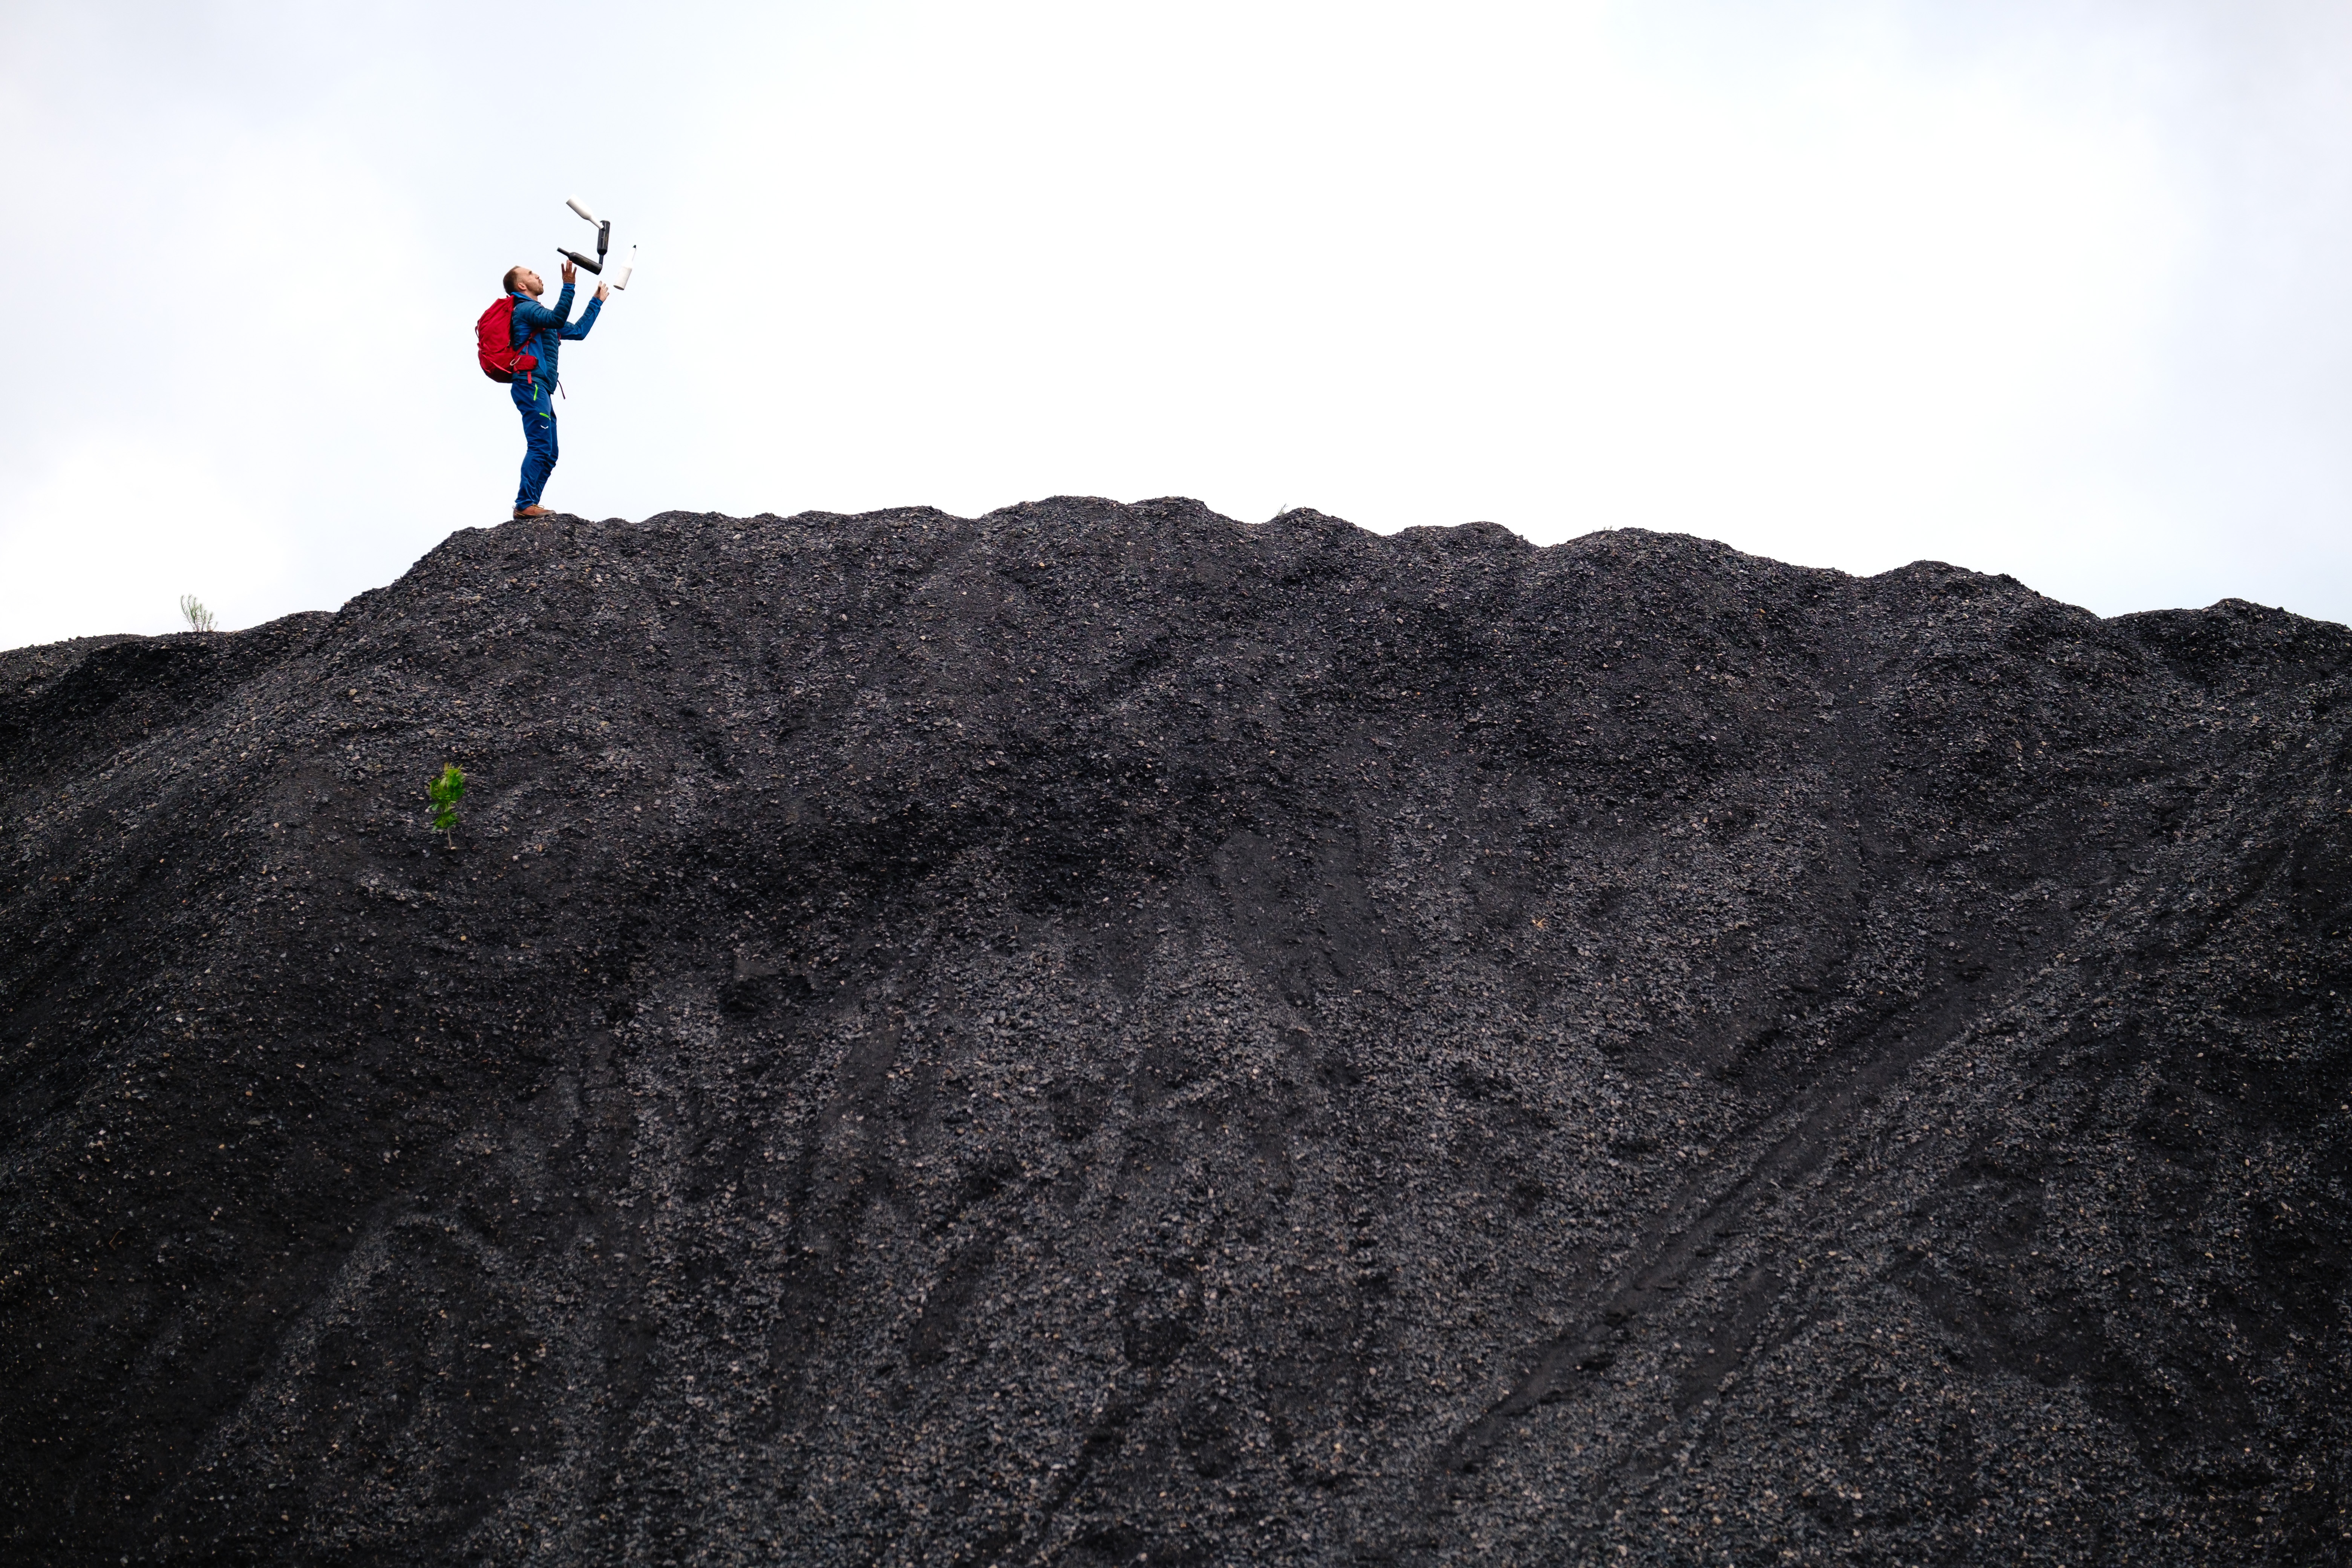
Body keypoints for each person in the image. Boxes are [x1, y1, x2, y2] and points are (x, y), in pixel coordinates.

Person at [504, 259, 608, 520]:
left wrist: (597, 301)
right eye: (530, 274)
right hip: (530, 385)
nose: (537, 275)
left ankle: (530, 505)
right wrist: (569, 287)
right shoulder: (525, 309)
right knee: (541, 446)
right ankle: (525, 503)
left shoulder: (540, 315)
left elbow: (578, 331)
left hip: (541, 389)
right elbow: (558, 318)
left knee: (550, 452)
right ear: (520, 285)